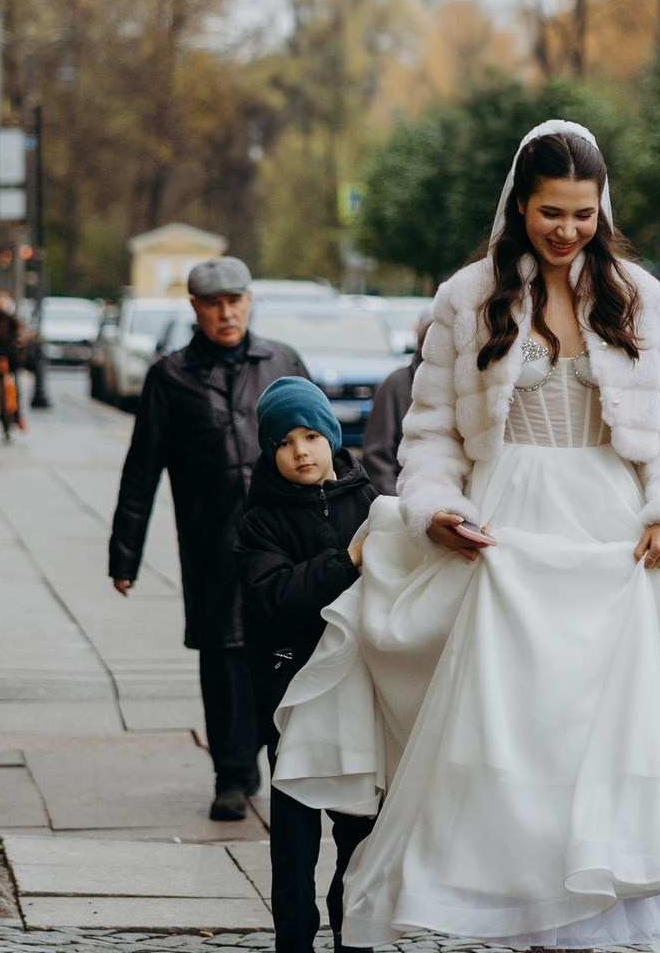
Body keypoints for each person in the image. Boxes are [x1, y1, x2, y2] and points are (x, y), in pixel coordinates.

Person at [272, 120, 660, 953]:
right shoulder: (466, 298)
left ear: (600, 208)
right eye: (549, 214)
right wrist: (432, 511)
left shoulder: (642, 295)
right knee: (514, 736)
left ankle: (601, 915)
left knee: (610, 735)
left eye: (581, 214)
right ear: (520, 206)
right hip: (504, 534)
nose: (566, 231)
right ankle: (523, 915)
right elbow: (428, 434)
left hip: (615, 534)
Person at [108, 257, 310, 822]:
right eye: (214, 303)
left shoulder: (282, 361)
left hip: (282, 542)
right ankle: (232, 774)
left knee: (286, 653)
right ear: (196, 309)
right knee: (223, 659)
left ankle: (288, 769)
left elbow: (321, 447)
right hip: (211, 543)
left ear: (249, 302)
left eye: (236, 301)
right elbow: (141, 468)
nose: (227, 312)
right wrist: (125, 553)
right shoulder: (171, 377)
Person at [237, 377, 377, 953]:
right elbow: (274, 595)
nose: (301, 450)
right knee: (295, 831)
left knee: (359, 825)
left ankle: (355, 931)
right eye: (286, 440)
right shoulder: (259, 520)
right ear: (270, 451)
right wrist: (345, 560)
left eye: (312, 435)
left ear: (332, 437)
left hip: (356, 690)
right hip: (291, 688)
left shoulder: (367, 501)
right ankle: (293, 936)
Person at [359, 307, 433, 495]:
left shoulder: (466, 386)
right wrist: (397, 504)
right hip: (406, 502)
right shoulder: (397, 385)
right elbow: (377, 456)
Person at [0, 290, 26, 431]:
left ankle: (17, 416)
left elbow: (20, 332)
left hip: (10, 355)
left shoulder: (12, 319)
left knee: (15, 385)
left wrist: (18, 342)